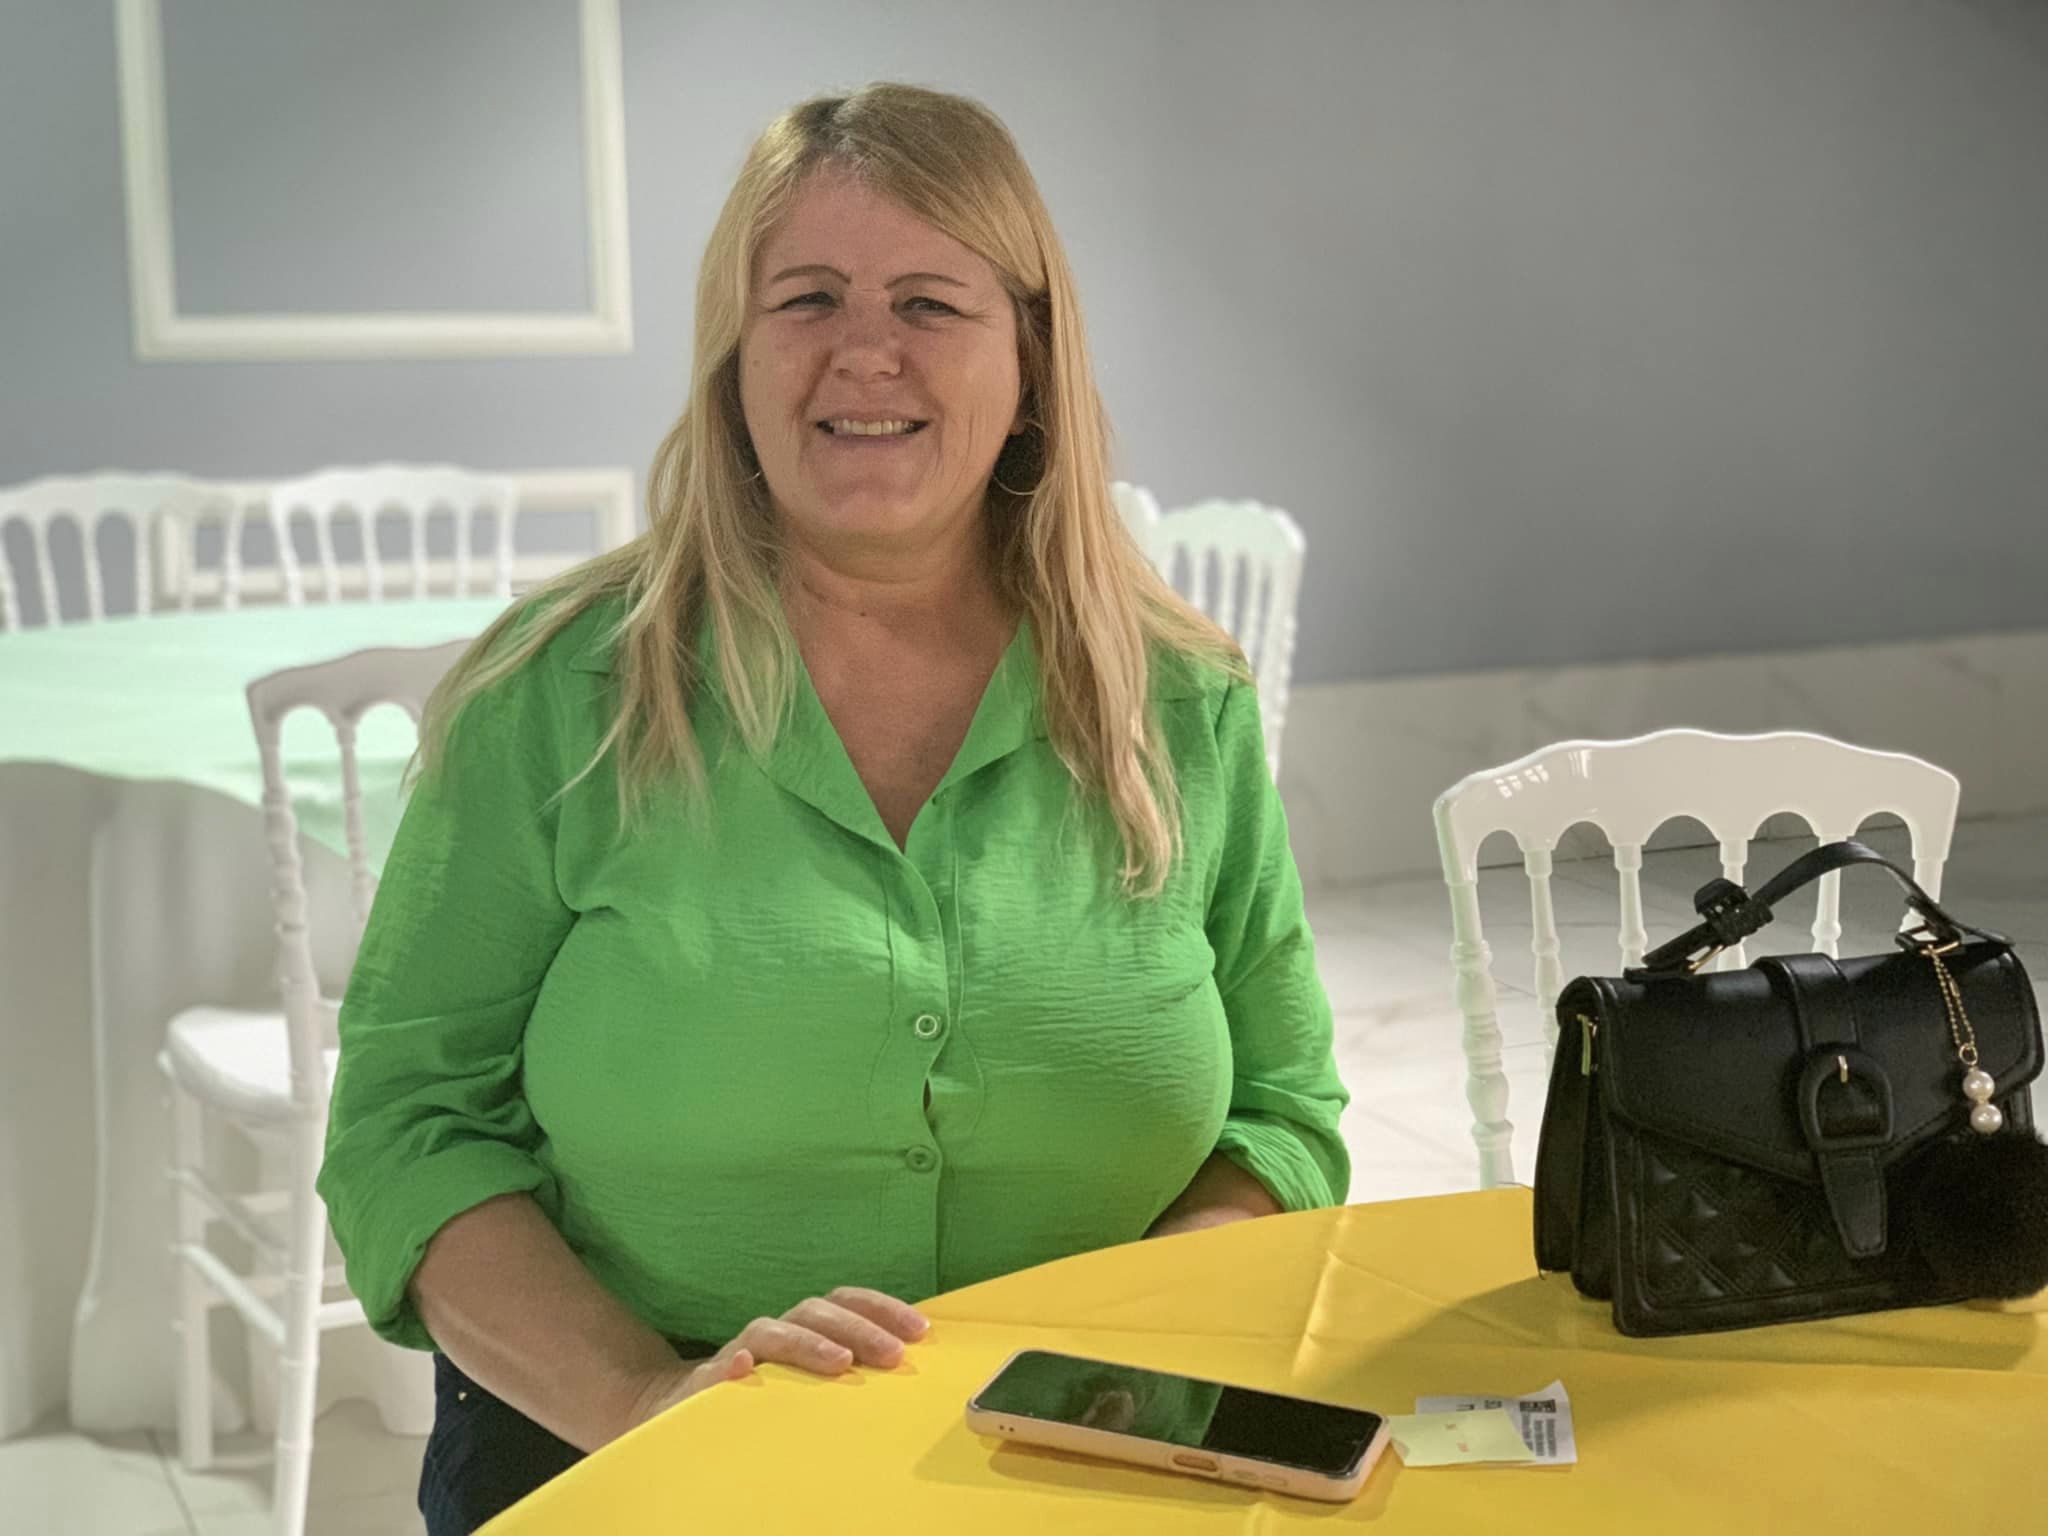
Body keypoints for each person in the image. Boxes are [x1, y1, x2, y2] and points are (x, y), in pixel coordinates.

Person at [315, 82, 1349, 1535]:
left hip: (1087, 1463)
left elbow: (1284, 1113)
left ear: (1030, 355)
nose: (867, 351)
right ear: (734, 359)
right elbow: (408, 1128)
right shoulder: (556, 695)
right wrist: (645, 1403)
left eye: (930, 301)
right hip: (619, 1457)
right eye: (806, 299)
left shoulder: (1182, 702)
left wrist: (1129, 1357)